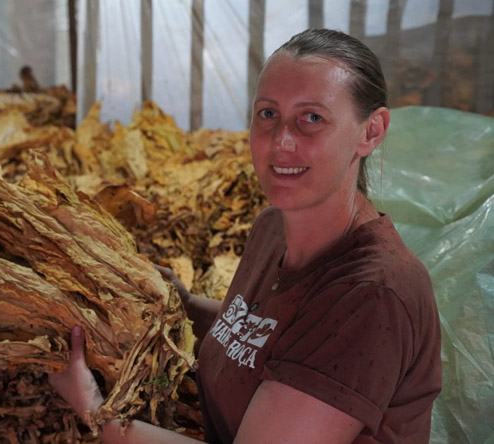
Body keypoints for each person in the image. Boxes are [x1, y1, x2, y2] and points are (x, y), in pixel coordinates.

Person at [48, 28, 442, 444]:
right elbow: (266, 333)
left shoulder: (371, 294)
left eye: (312, 118)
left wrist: (95, 410)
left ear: (371, 132)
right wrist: (182, 305)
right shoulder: (272, 228)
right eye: (267, 114)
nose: (281, 142)